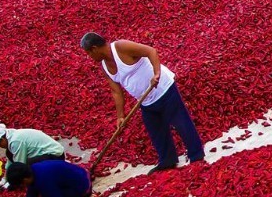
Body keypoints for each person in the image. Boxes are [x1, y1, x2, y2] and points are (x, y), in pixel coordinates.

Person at [80, 32, 205, 173]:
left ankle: (196, 155)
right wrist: (120, 116)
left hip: (163, 89)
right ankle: (168, 160)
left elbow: (151, 51)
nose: (90, 58)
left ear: (94, 48)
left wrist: (156, 73)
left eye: (88, 54)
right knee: (156, 131)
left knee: (181, 122)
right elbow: (116, 91)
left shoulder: (121, 47)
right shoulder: (104, 66)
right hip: (145, 100)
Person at [0, 124, 66, 166]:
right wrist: (5, 178)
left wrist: (11, 182)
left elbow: (20, 164)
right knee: (10, 154)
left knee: (29, 167)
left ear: (2, 140)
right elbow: (10, 160)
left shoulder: (16, 141)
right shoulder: (11, 134)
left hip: (56, 155)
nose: (0, 147)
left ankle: (57, 166)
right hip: (50, 153)